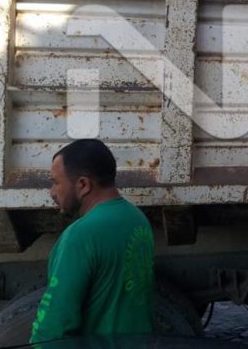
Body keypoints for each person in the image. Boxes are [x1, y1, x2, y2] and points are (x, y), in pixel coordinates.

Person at [30, 139, 155, 343]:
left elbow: (53, 329)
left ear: (83, 185)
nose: (52, 192)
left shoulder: (80, 236)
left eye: (56, 182)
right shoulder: (137, 219)